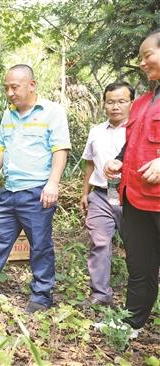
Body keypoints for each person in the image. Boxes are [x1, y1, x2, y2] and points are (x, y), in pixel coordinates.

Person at [0, 64, 71, 314]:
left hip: (37, 191)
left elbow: (60, 150)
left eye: (15, 87)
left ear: (31, 85)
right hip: (9, 190)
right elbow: (1, 146)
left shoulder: (51, 112)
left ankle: (42, 295)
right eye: (6, 88)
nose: (10, 93)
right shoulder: (8, 114)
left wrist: (53, 183)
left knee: (39, 245)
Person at [104, 29, 160, 334]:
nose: (142, 62)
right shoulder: (141, 103)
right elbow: (133, 144)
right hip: (136, 198)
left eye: (147, 54)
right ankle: (130, 324)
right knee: (139, 268)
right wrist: (119, 160)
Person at [80, 82, 135, 308]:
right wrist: (85, 193)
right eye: (110, 102)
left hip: (130, 196)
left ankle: (140, 296)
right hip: (102, 194)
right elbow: (90, 165)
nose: (115, 107)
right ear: (104, 104)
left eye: (121, 101)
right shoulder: (96, 132)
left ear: (132, 102)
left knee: (138, 246)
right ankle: (100, 294)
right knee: (99, 243)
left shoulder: (137, 130)